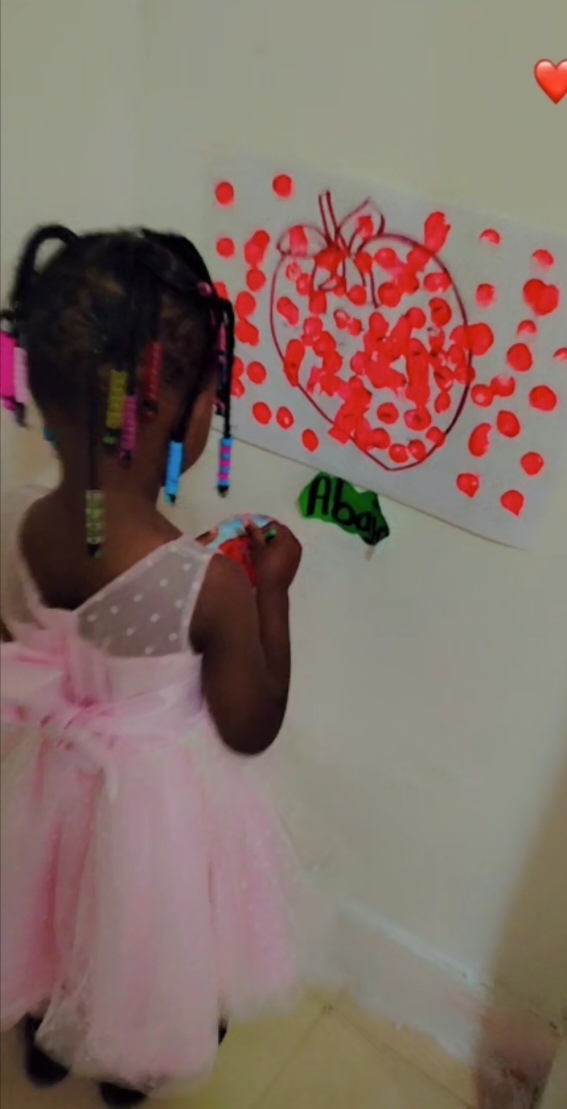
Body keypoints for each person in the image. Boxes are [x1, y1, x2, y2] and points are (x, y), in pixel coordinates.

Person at [0, 226, 313, 1106]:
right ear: (187, 411)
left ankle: (45, 1042)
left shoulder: (17, 518)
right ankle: (129, 1067)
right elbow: (250, 726)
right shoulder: (210, 586)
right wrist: (271, 594)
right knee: (141, 932)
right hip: (156, 814)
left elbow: (47, 624)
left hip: (53, 787)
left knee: (50, 908)